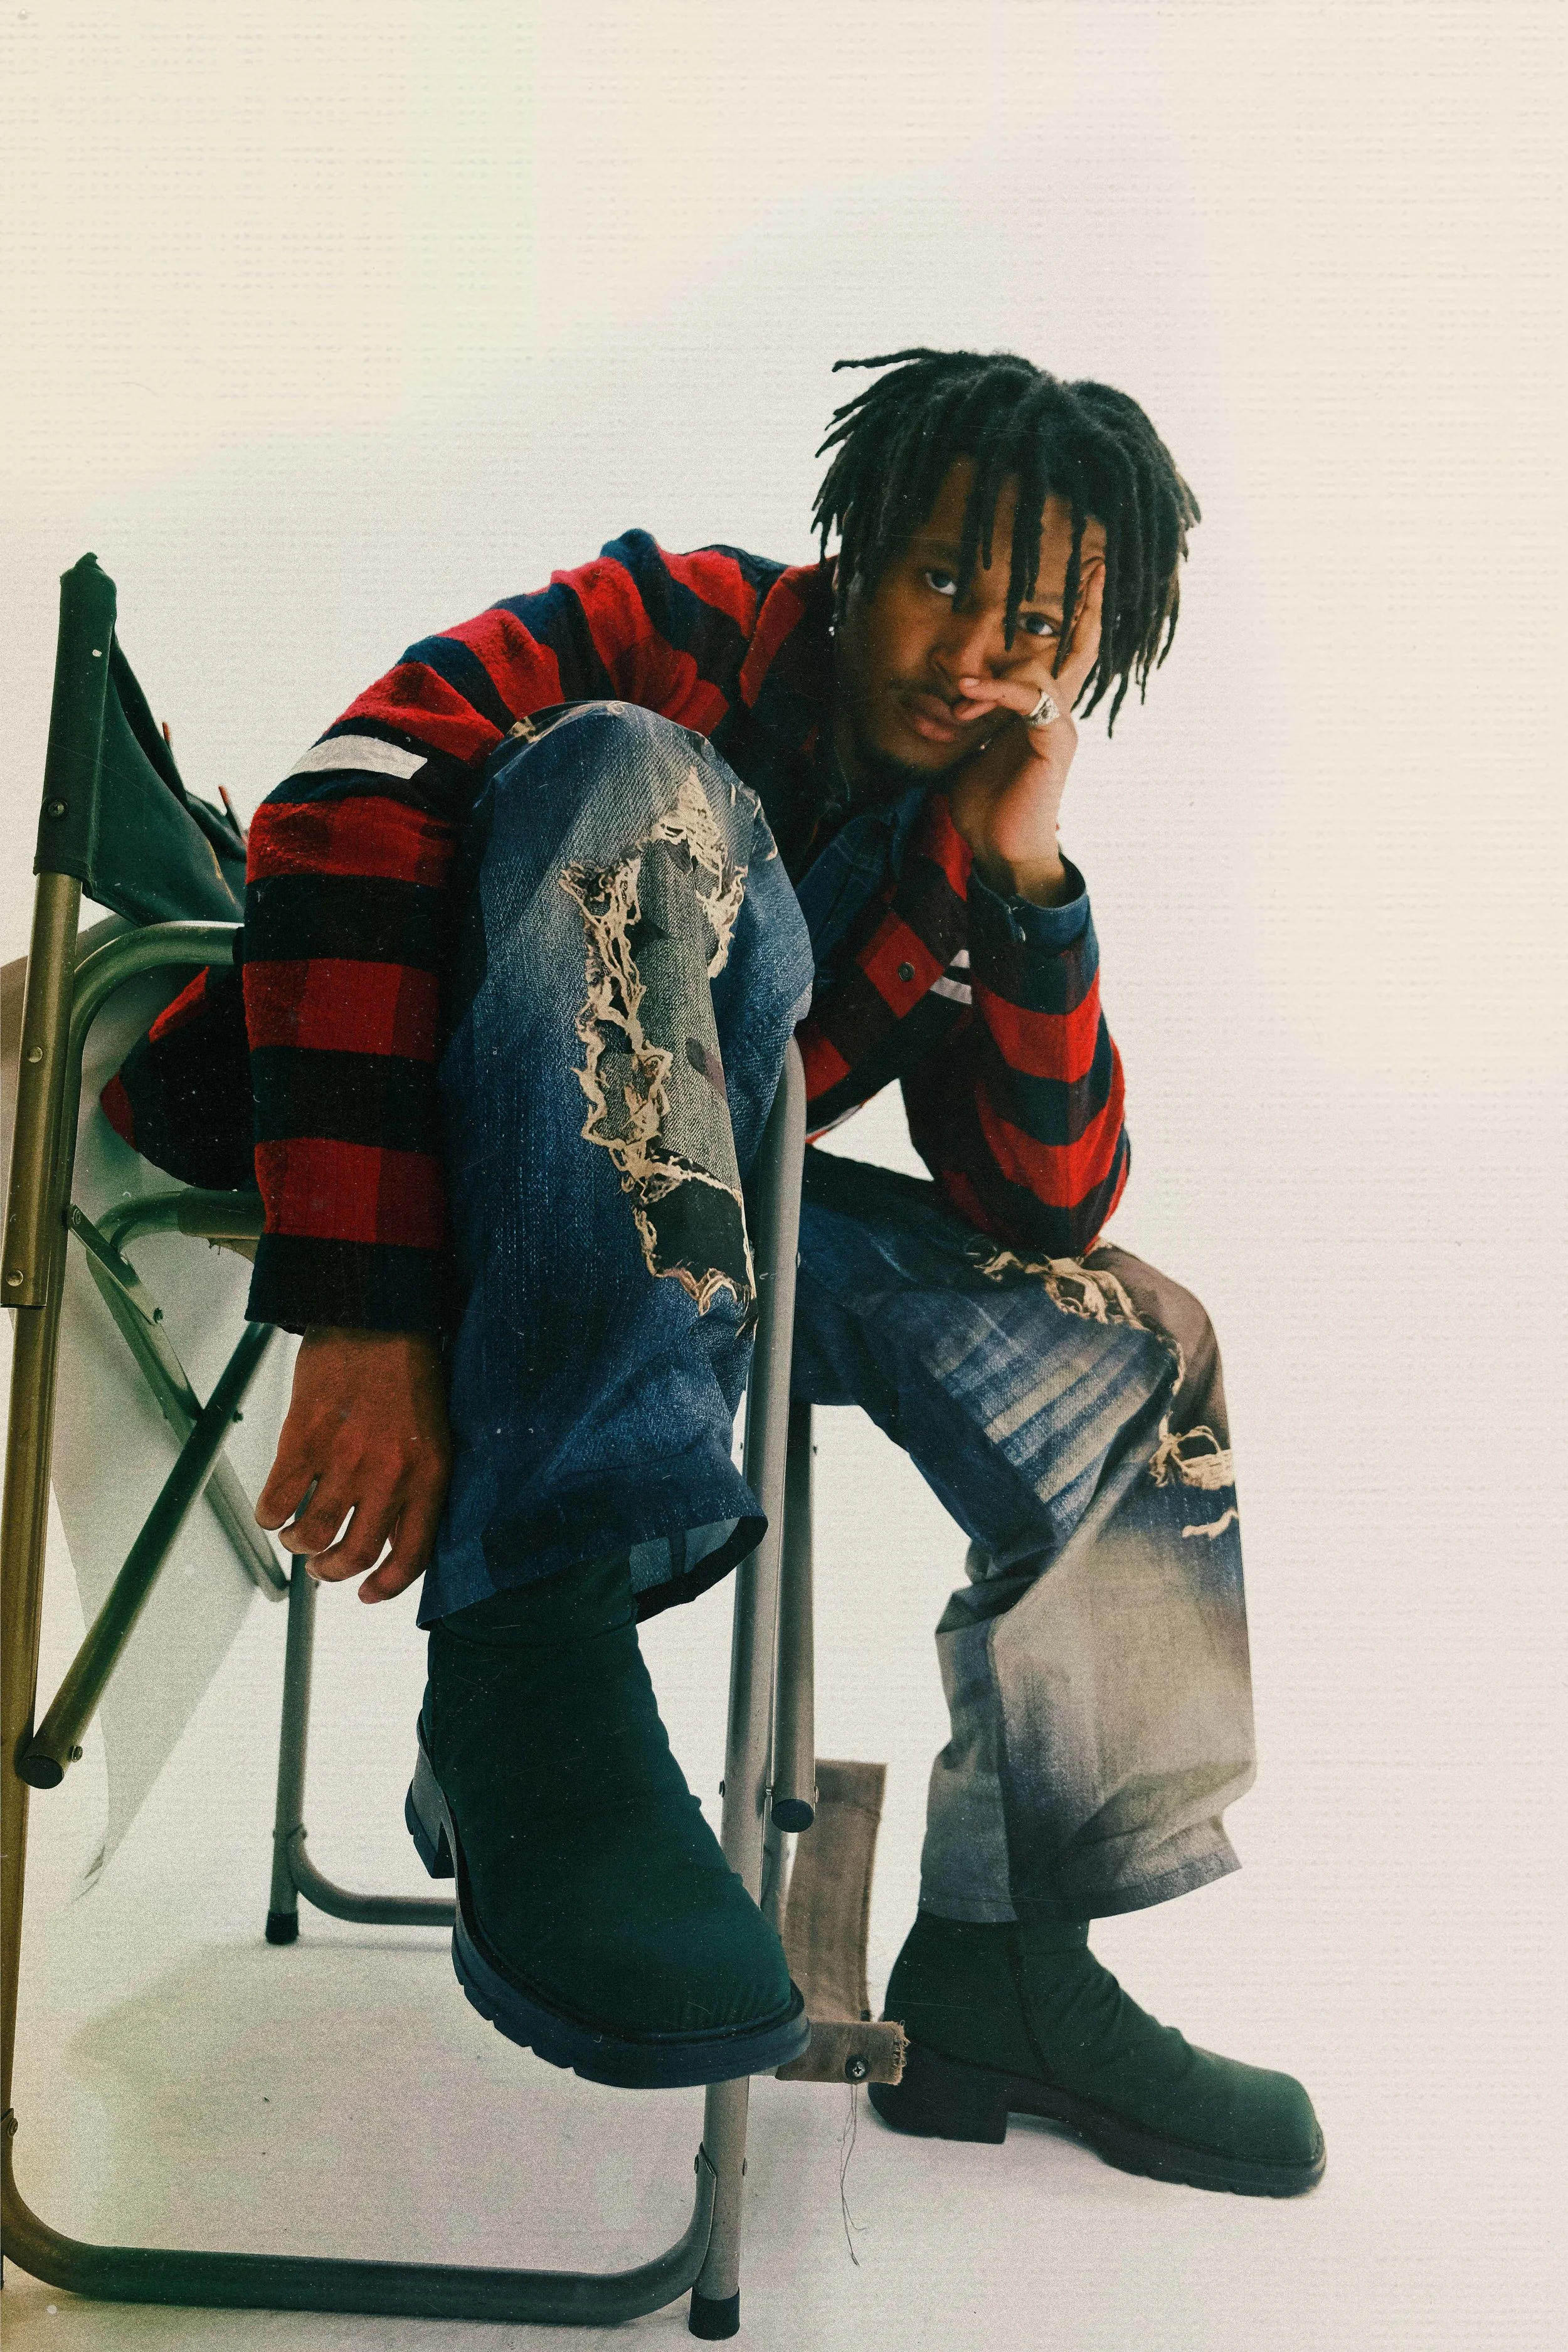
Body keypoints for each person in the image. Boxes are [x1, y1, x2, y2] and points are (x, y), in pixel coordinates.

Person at [107, 347, 1323, 2189]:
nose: (975, 653)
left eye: (1039, 625)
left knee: (1131, 1337)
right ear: (857, 552)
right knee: (632, 775)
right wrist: (364, 1303)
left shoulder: (953, 826)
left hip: (700, 1207)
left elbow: (1040, 1190)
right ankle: (537, 1652)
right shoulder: (672, 619)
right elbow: (347, 793)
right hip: (419, 1134)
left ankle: (1007, 1956)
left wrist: (1025, 875)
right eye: (939, 581)